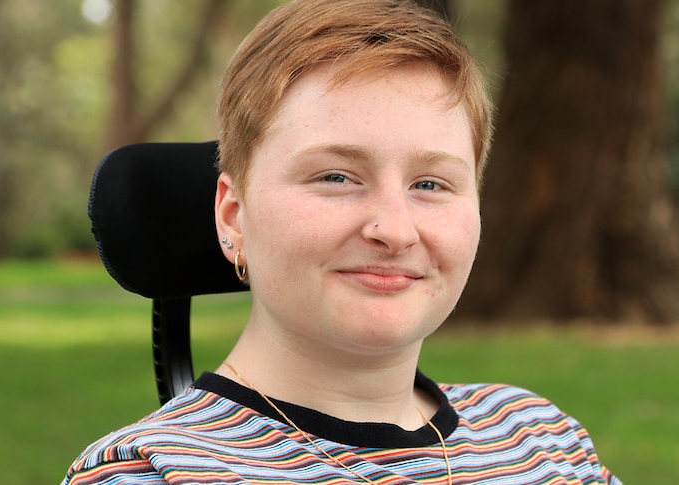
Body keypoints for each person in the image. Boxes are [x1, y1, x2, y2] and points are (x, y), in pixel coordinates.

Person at [63, 0, 622, 483]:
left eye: (431, 184)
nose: (395, 230)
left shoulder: (543, 440)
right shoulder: (149, 472)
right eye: (337, 177)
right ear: (233, 217)